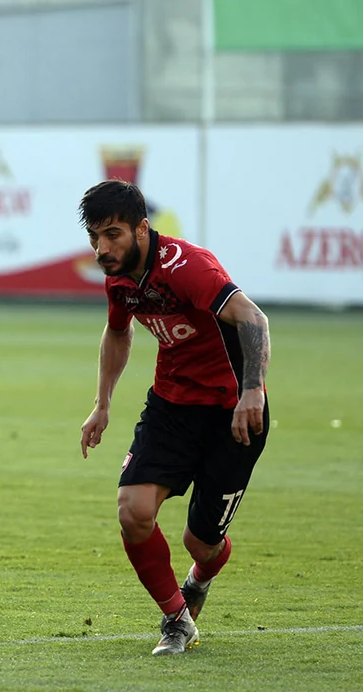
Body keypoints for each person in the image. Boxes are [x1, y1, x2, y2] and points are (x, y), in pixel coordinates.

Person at [77, 179, 271, 656]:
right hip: (171, 407)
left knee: (200, 543)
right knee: (133, 512)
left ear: (143, 229)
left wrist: (252, 392)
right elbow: (118, 333)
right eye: (94, 238)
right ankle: (177, 619)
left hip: (233, 414)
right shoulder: (119, 277)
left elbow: (253, 319)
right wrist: (103, 403)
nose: (103, 249)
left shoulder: (188, 267)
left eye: (113, 235)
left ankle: (200, 579)